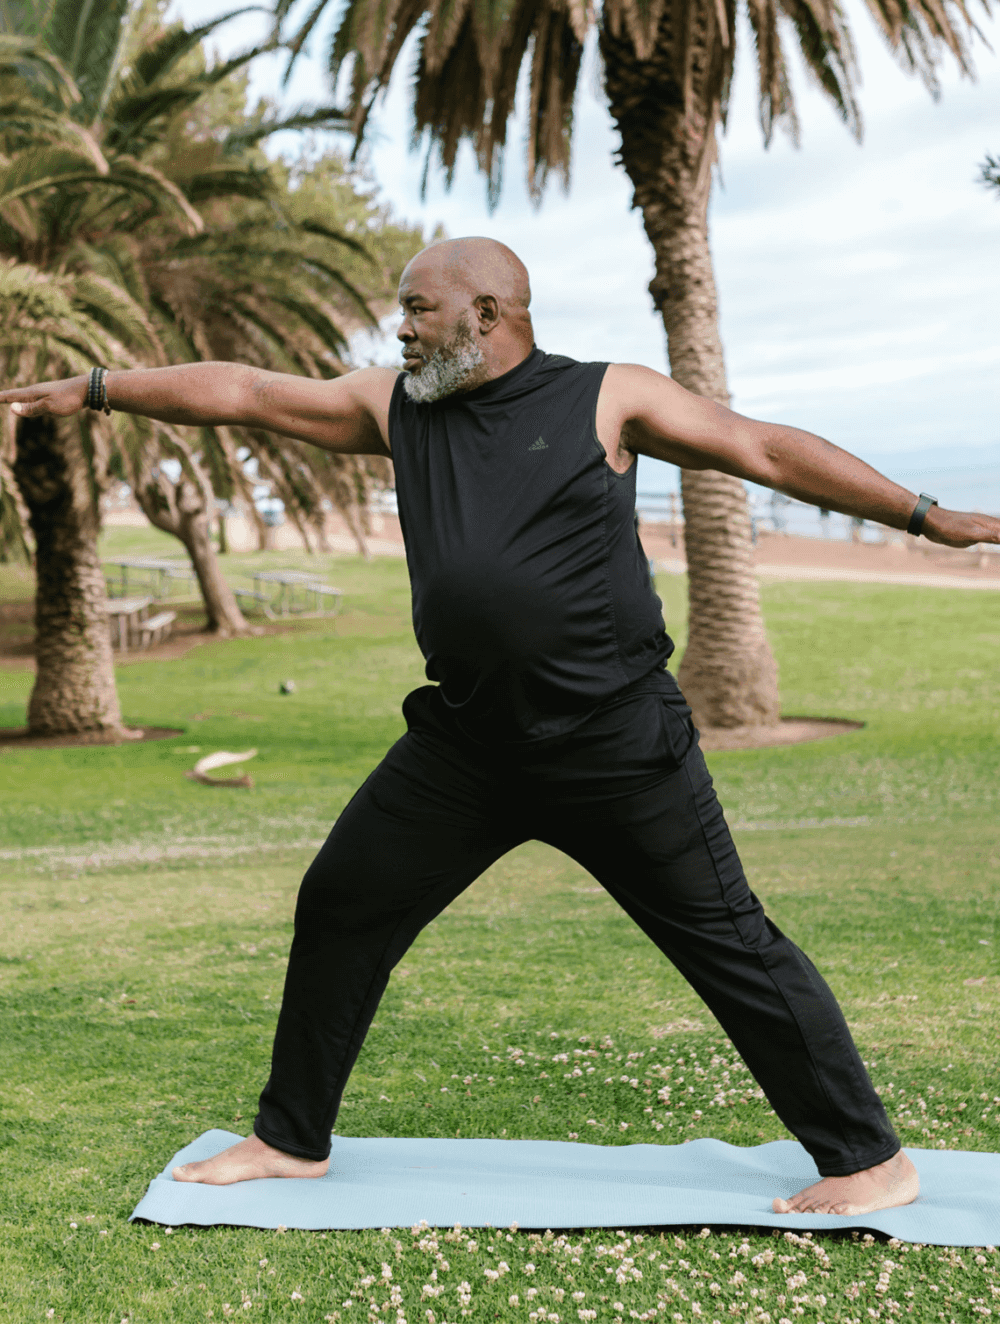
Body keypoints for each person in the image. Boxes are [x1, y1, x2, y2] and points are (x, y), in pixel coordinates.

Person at [4, 238, 997, 1217]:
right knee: (342, 901)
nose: (398, 326)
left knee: (731, 944)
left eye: (416, 308)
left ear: (489, 313)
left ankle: (868, 1161)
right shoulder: (392, 406)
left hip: (614, 741)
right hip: (466, 745)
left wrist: (924, 514)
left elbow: (763, 448)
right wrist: (96, 388)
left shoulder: (609, 396)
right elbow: (250, 393)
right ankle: (289, 1138)